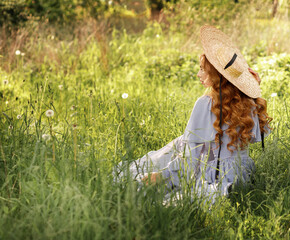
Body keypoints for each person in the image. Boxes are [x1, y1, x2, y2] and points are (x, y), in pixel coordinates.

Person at [116, 25, 272, 204]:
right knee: (179, 143)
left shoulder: (205, 104)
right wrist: (253, 93)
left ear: (215, 75)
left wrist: (162, 175)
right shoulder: (248, 104)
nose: (199, 74)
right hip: (238, 177)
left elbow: (192, 159)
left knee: (141, 177)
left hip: (213, 174)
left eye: (202, 69)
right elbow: (259, 135)